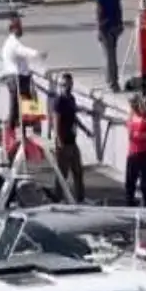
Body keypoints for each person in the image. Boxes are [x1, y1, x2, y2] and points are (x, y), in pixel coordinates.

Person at [89, 0, 123, 89]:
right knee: (112, 51)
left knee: (109, 54)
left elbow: (99, 7)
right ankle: (110, 78)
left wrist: (99, 26)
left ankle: (113, 82)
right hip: (117, 20)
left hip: (106, 23)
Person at [49, 72, 84, 201]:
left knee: (78, 171)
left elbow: (74, 117)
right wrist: (58, 139)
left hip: (72, 141)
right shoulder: (59, 101)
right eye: (63, 85)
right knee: (62, 173)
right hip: (63, 142)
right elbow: (56, 120)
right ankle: (58, 198)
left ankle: (80, 198)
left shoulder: (71, 99)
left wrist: (85, 130)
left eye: (68, 85)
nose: (66, 87)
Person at [0, 16, 44, 103]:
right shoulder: (14, 43)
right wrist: (38, 54)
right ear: (13, 29)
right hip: (17, 78)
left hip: (13, 77)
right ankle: (20, 116)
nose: (21, 29)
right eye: (19, 27)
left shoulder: (9, 42)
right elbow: (24, 51)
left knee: (17, 105)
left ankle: (16, 116)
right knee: (25, 104)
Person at [124, 96, 146, 206]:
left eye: (134, 104)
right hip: (133, 152)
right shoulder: (131, 115)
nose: (133, 107)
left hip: (145, 152)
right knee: (130, 182)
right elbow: (129, 129)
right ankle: (130, 204)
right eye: (131, 105)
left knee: (144, 183)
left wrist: (141, 136)